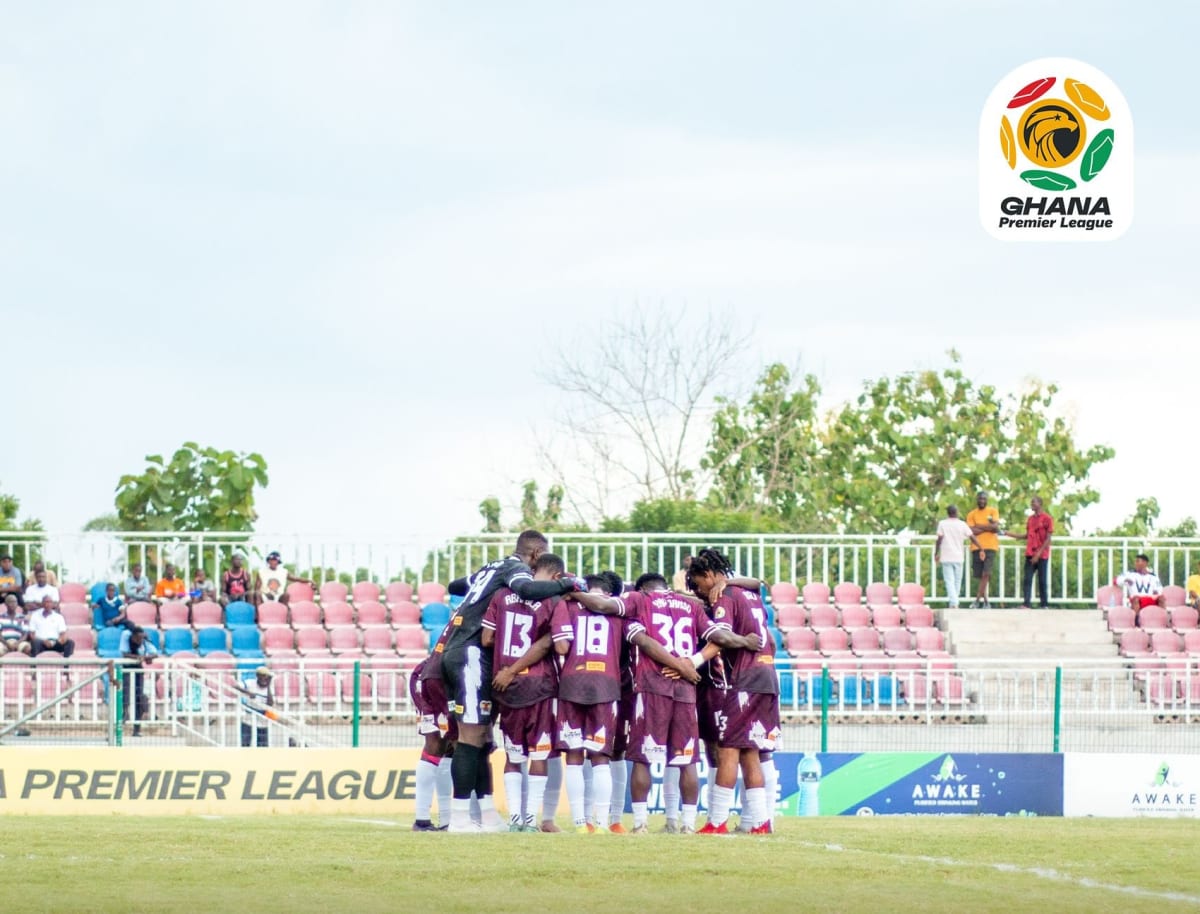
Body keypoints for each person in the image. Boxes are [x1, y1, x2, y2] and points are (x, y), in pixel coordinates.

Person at [440, 529, 587, 833]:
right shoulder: (516, 570)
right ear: (535, 555)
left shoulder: (492, 567)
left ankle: (488, 815)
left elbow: (456, 585)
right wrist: (566, 584)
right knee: (469, 736)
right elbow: (528, 590)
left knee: (481, 738)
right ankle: (457, 818)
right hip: (468, 653)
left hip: (469, 655)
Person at [686, 548, 779, 835]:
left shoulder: (725, 596)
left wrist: (693, 662)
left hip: (745, 680)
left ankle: (716, 822)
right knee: (751, 750)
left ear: (710, 575)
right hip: (767, 676)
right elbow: (761, 584)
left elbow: (721, 637)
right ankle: (761, 822)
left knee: (727, 750)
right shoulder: (750, 594)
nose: (702, 593)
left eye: (700, 584)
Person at [482, 553, 565, 832]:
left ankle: (515, 819)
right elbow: (555, 645)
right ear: (556, 577)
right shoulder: (554, 600)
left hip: (506, 685)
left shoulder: (503, 595)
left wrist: (506, 665)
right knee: (540, 754)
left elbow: (487, 638)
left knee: (513, 756)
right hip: (540, 685)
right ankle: (530, 820)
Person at [409, 620, 457, 832]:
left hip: (425, 673)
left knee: (438, 747)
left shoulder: (457, 617)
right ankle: (436, 819)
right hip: (441, 678)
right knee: (447, 745)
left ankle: (426, 819)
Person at [1007, 496, 1054, 609]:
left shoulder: (1047, 518)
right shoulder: (1030, 519)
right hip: (1030, 553)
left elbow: (1048, 538)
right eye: (1031, 502)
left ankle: (1044, 605)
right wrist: (1010, 534)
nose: (1032, 504)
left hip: (1042, 554)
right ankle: (1026, 604)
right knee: (1027, 579)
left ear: (1040, 504)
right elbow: (1027, 535)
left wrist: (1038, 554)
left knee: (1042, 580)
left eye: (1034, 502)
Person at [935, 505, 985, 609]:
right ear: (957, 512)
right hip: (958, 557)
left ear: (948, 513)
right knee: (957, 581)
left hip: (946, 556)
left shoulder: (942, 524)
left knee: (949, 581)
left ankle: (953, 603)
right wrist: (981, 548)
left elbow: (939, 540)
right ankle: (954, 603)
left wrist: (936, 553)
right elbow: (972, 537)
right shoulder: (962, 524)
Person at [119, 626, 159, 737]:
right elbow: (124, 654)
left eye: (141, 638)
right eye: (138, 638)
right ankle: (122, 720)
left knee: (139, 697)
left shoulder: (145, 640)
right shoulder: (126, 637)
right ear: (133, 636)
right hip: (126, 669)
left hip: (138, 669)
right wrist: (138, 657)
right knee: (125, 696)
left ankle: (137, 729)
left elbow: (155, 654)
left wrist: (148, 657)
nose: (139, 641)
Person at [966, 492, 1001, 607]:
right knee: (980, 575)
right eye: (980, 499)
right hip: (976, 546)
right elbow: (971, 531)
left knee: (986, 573)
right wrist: (988, 528)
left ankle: (976, 600)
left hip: (990, 546)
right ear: (977, 499)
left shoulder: (993, 511)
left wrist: (979, 526)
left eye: (984, 499)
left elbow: (995, 528)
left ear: (987, 500)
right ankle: (985, 601)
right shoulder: (972, 514)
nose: (982, 501)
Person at [231, 666, 274, 747]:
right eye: (263, 676)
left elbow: (270, 703)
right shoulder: (250, 682)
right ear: (258, 676)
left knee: (263, 744)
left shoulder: (270, 688)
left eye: (267, 677)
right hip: (248, 715)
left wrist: (268, 686)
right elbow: (235, 686)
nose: (264, 679)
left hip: (262, 717)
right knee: (245, 741)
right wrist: (248, 692)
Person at [1115, 554, 1165, 621]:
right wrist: (1125, 580)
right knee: (1136, 599)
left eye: (1138, 561)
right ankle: (1136, 621)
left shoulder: (1153, 576)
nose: (1136, 563)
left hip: (1150, 598)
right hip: (1136, 599)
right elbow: (1117, 580)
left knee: (1161, 598)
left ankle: (1163, 620)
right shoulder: (1130, 574)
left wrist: (1157, 593)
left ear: (1145, 563)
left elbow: (1159, 589)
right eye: (1135, 561)